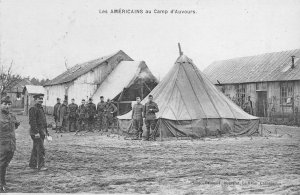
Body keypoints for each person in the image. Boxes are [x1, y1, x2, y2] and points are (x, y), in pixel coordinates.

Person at [0, 96, 20, 192]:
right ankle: (2, 184)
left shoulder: (12, 116)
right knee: (2, 164)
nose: (7, 106)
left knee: (5, 164)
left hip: (11, 144)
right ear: (0, 104)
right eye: (5, 104)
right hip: (2, 145)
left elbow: (15, 126)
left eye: (9, 104)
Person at [28, 94, 48, 171]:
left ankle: (32, 164)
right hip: (36, 132)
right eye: (39, 99)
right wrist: (36, 132)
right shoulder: (33, 109)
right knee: (41, 149)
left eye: (42, 99)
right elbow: (32, 122)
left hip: (41, 131)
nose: (41, 100)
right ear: (35, 99)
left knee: (36, 148)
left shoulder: (41, 108)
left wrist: (46, 131)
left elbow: (43, 121)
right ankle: (41, 166)